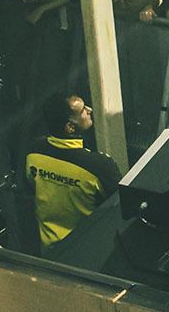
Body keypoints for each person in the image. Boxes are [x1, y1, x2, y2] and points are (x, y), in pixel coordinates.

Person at [24, 91, 122, 249]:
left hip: (48, 248)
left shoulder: (34, 151)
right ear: (70, 127)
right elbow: (118, 208)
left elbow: (31, 185)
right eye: (83, 110)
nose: (89, 110)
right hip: (86, 248)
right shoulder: (100, 166)